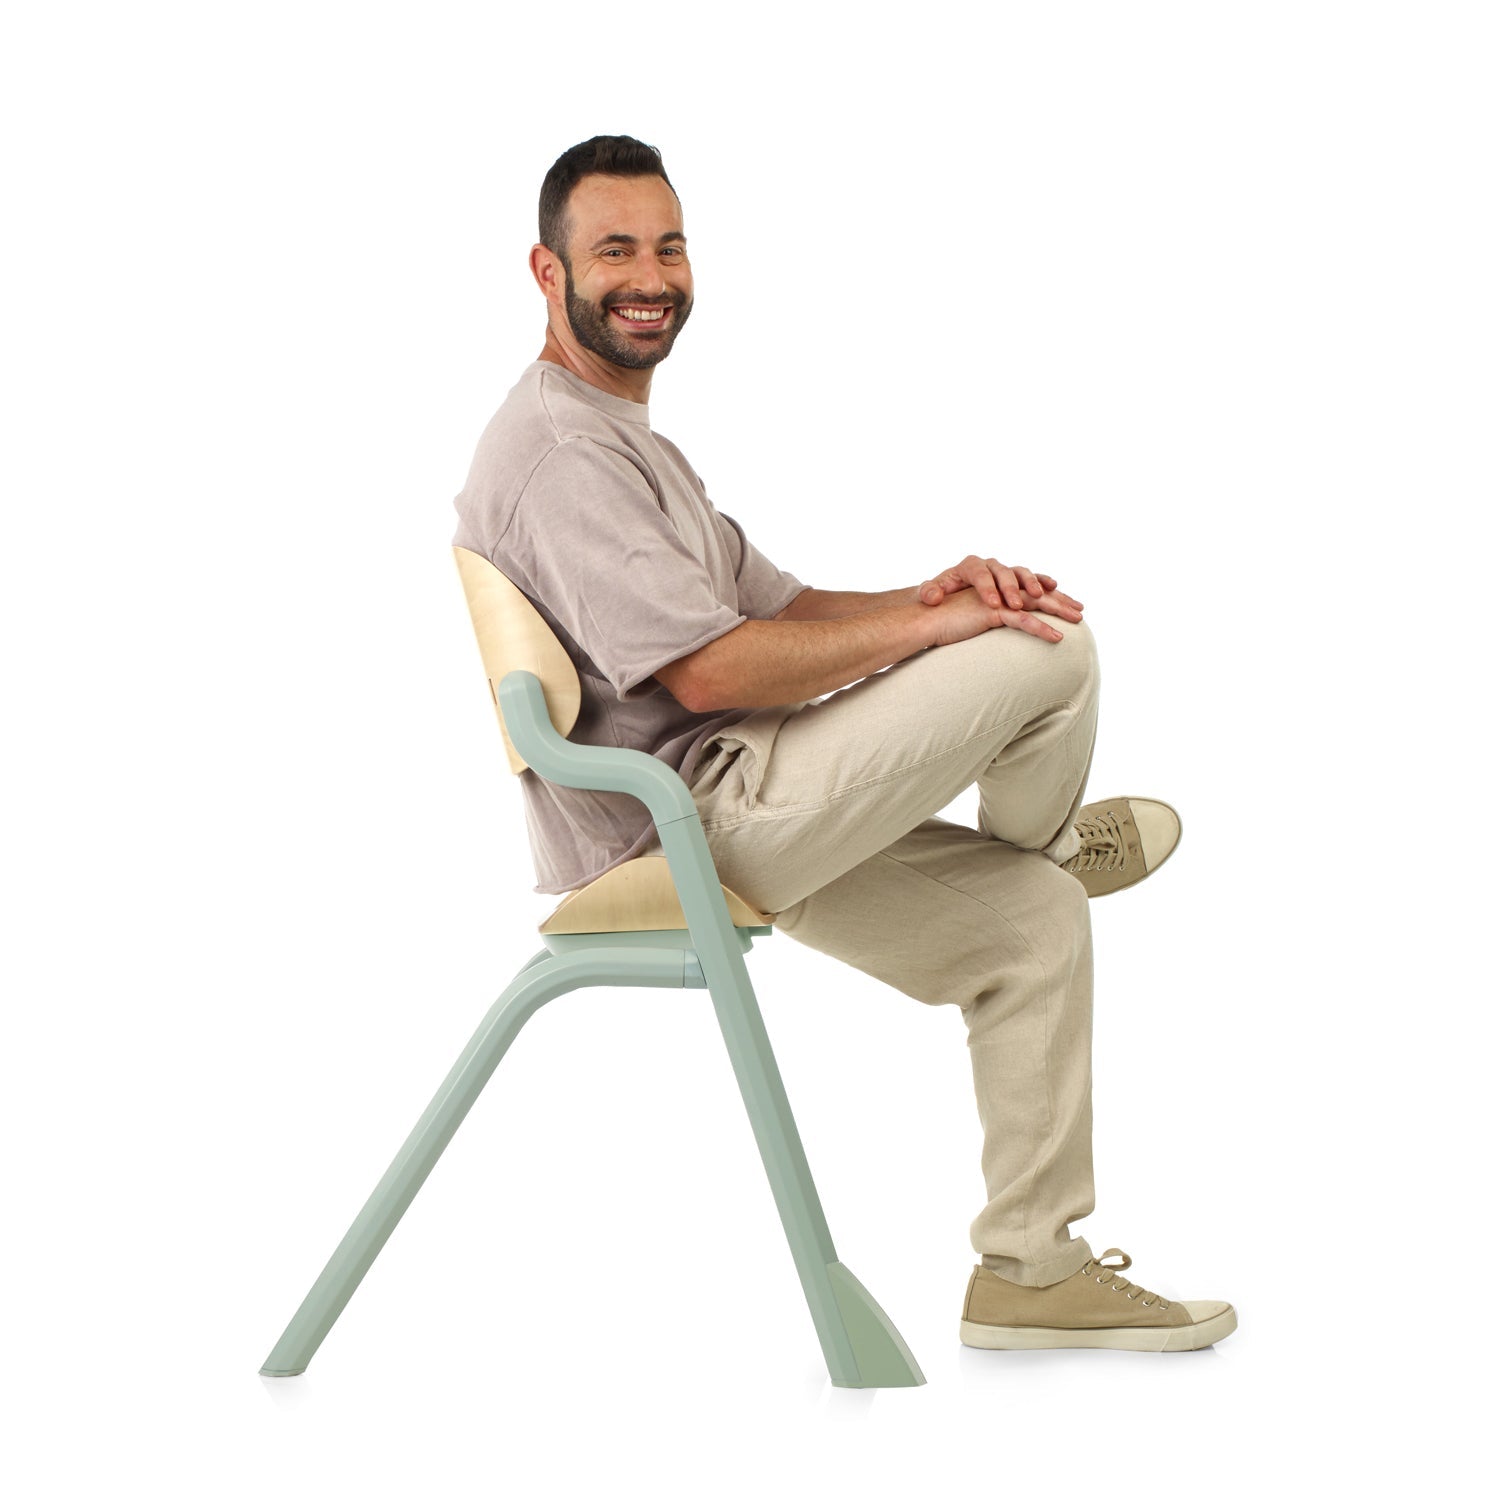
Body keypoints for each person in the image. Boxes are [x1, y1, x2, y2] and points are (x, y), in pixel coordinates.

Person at [451, 135, 1236, 1353]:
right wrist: (942, 634)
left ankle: (1030, 1273)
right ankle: (1046, 836)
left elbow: (781, 609)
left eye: (669, 246)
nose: (650, 275)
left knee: (1034, 922)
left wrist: (933, 597)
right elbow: (711, 669)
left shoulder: (621, 437)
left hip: (751, 796)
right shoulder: (561, 452)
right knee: (1051, 651)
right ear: (547, 273)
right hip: (697, 816)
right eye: (615, 251)